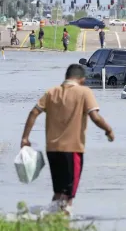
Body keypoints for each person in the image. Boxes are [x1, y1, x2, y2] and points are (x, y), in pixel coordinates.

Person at [20, 64, 114, 215]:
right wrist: (108, 130)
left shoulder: (51, 92)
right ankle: (63, 222)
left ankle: (50, 221)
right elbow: (95, 117)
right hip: (73, 150)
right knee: (69, 196)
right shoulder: (84, 92)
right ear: (82, 80)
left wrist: (25, 138)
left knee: (58, 193)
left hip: (52, 150)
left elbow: (33, 112)